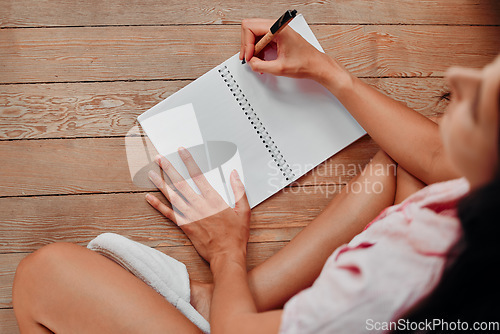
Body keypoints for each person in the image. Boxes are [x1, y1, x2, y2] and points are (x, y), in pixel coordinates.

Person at [12, 18, 499, 333]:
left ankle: (224, 300)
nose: (463, 78)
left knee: (44, 277)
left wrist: (226, 253)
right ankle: (221, 299)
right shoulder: (473, 201)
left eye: (484, 102)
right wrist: (330, 74)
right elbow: (432, 155)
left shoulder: (384, 295)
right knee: (404, 157)